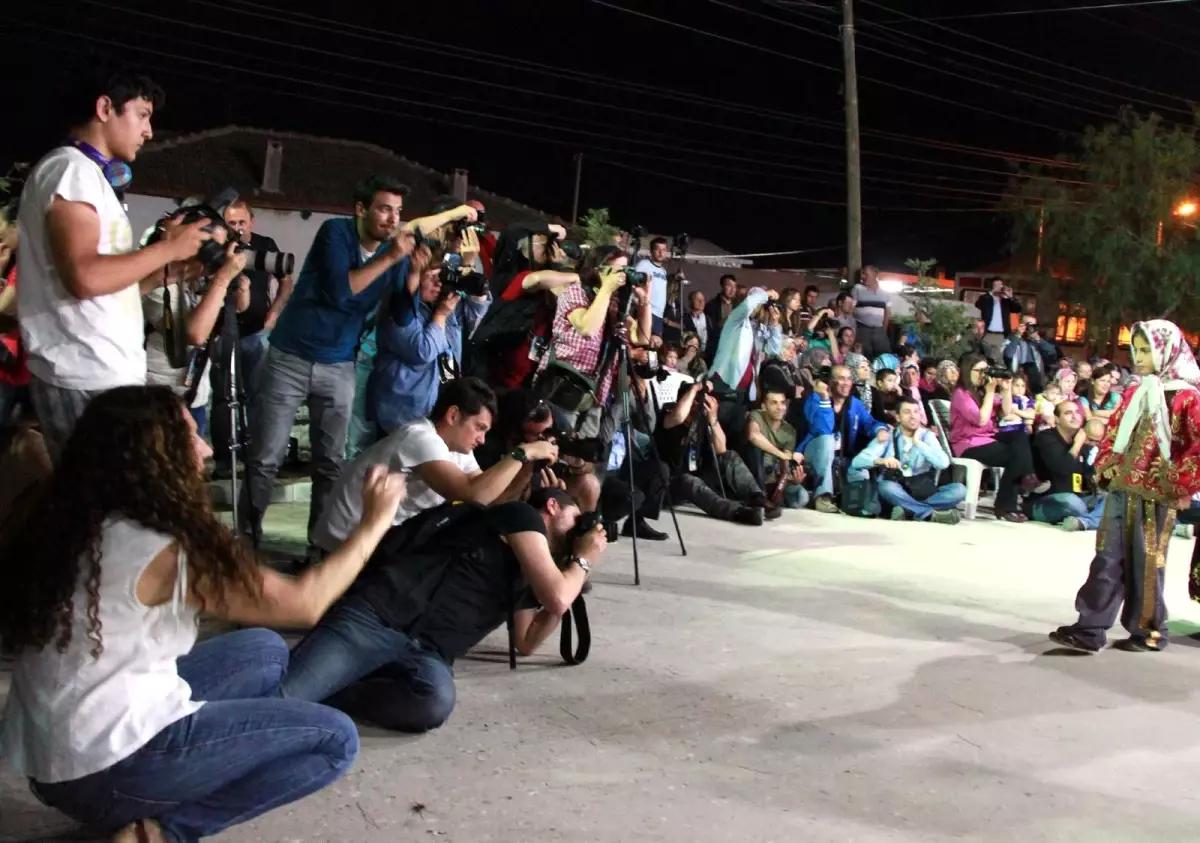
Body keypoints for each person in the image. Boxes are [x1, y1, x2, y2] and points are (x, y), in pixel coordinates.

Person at [0, 385, 407, 843]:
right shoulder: (162, 550)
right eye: (188, 436)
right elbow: (306, 603)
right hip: (99, 773)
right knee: (334, 740)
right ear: (154, 457)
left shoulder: (78, 518)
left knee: (265, 650)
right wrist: (373, 522)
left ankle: (217, 755)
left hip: (54, 755)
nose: (206, 448)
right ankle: (163, 831)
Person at [239, 175, 476, 552]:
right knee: (266, 457)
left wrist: (413, 273)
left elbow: (400, 310)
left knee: (330, 463)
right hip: (291, 356)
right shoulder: (336, 234)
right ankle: (247, 542)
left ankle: (321, 548)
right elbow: (342, 290)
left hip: (339, 363)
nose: (391, 219)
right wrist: (393, 258)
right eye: (384, 209)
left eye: (397, 212)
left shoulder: (394, 253)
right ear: (361, 209)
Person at [282, 486, 609, 732]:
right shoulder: (520, 516)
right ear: (552, 506)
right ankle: (308, 677)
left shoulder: (536, 570)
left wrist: (574, 574)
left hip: (428, 655)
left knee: (433, 702)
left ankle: (336, 689)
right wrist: (583, 560)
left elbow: (527, 640)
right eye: (577, 519)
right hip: (380, 618)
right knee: (284, 697)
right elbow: (557, 596)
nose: (581, 530)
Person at [18, 69, 211, 460]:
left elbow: (101, 288)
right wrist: (168, 249)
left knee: (113, 503)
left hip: (99, 372)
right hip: (84, 375)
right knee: (104, 506)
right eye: (142, 114)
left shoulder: (87, 175)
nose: (150, 131)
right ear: (105, 108)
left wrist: (168, 272)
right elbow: (85, 278)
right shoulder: (71, 170)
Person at [1052, 320, 1200, 653]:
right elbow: (1115, 432)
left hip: (1157, 493)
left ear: (1167, 351)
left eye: (1147, 349)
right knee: (1106, 557)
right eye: (1137, 349)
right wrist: (1107, 464)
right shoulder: (1136, 391)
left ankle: (1149, 630)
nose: (1139, 356)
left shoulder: (1186, 397)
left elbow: (1196, 446)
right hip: (1122, 486)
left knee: (1147, 563)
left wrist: (1178, 483)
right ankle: (1090, 627)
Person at [313, 378, 558, 554]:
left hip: (379, 541)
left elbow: (491, 500)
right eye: (479, 427)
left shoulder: (457, 449)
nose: (482, 439)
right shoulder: (419, 437)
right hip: (345, 544)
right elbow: (472, 494)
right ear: (453, 415)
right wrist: (523, 452)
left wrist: (527, 467)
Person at [369, 235, 492, 434]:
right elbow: (422, 350)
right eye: (431, 277)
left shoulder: (443, 302)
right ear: (415, 277)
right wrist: (441, 315)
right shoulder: (401, 309)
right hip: (404, 417)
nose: (438, 283)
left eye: (441, 277)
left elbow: (476, 314)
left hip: (440, 408)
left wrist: (468, 267)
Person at [657, 379, 769, 525]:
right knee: (689, 481)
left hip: (699, 475)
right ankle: (737, 512)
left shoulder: (702, 421)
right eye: (696, 401)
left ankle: (757, 498)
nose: (698, 405)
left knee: (730, 456)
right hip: (671, 482)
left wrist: (713, 419)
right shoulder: (668, 414)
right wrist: (695, 389)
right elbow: (678, 417)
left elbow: (721, 449)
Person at [948, 354, 1037, 522]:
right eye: (980, 371)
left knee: (1020, 434)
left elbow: (1007, 410)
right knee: (1014, 456)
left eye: (986, 370)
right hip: (968, 444)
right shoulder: (961, 394)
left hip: (988, 438)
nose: (984, 374)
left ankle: (1026, 477)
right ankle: (1007, 504)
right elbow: (981, 420)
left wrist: (1006, 389)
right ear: (968, 371)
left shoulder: (982, 391)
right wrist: (989, 393)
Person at [850, 396, 965, 524]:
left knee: (959, 490)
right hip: (897, 490)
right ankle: (929, 513)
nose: (913, 416)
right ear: (898, 417)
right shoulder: (888, 436)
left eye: (916, 412)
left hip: (922, 490)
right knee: (886, 487)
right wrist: (881, 460)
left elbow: (943, 463)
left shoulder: (927, 436)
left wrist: (919, 443)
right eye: (907, 412)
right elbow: (857, 461)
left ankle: (910, 510)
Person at [797, 364, 888, 514]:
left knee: (861, 469)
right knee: (827, 439)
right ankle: (823, 496)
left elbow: (870, 423)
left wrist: (880, 430)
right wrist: (825, 398)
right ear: (830, 382)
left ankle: (865, 504)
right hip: (813, 453)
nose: (846, 383)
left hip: (842, 458)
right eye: (841, 378)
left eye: (849, 379)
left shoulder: (854, 404)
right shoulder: (815, 399)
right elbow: (822, 428)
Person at [1029, 399, 1104, 531]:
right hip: (1046, 501)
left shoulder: (1082, 444)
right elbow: (1061, 468)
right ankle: (1094, 519)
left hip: (1077, 499)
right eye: (1068, 413)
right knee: (1072, 502)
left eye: (1077, 412)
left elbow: (1085, 481)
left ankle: (1083, 522)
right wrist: (1077, 445)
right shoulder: (1046, 438)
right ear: (1057, 419)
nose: (1075, 416)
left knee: (1111, 500)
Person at [710, 287, 783, 404]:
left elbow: (773, 350)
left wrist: (775, 325)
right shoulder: (736, 319)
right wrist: (766, 293)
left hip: (746, 388)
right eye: (762, 301)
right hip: (725, 382)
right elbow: (748, 305)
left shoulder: (761, 328)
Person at [744, 386, 808, 511]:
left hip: (776, 476)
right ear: (764, 406)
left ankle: (775, 498)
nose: (780, 407)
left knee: (802, 497)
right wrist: (780, 454)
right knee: (755, 450)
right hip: (756, 470)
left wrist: (793, 479)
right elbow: (753, 436)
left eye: (782, 403)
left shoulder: (789, 431)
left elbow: (786, 463)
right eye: (774, 403)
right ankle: (762, 497)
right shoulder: (756, 415)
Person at [975, 277, 1021, 365]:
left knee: (999, 360)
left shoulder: (1005, 301)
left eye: (1000, 285)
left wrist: (1010, 297)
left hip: (1001, 335)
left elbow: (1018, 309)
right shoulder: (986, 298)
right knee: (985, 358)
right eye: (996, 285)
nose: (999, 287)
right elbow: (978, 304)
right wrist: (992, 293)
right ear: (992, 286)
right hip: (987, 334)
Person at [851, 265, 892, 360]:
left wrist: (883, 330)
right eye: (862, 274)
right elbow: (851, 309)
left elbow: (887, 313)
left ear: (875, 274)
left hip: (879, 330)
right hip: (862, 330)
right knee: (863, 357)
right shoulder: (857, 289)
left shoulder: (885, 293)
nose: (862, 276)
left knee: (883, 356)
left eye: (865, 274)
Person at [635, 236, 670, 337]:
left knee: (654, 345)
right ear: (651, 251)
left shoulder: (663, 271)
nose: (660, 252)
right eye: (657, 249)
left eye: (663, 250)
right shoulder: (643, 265)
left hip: (659, 314)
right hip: (647, 310)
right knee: (644, 341)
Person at [703, 274, 737, 360]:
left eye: (734, 286)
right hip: (716, 346)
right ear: (722, 286)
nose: (732, 289)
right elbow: (710, 328)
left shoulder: (737, 305)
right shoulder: (712, 305)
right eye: (729, 285)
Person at [683, 290, 711, 355]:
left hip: (707, 356)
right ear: (691, 302)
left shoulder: (709, 320)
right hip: (691, 354)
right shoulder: (684, 319)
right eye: (697, 299)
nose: (701, 302)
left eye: (703, 300)